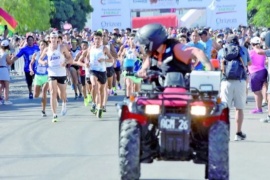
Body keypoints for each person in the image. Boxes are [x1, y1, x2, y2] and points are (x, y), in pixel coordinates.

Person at [135, 23, 212, 82]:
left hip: (181, 92)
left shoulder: (175, 48)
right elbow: (148, 61)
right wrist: (143, 70)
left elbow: (197, 51)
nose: (143, 46)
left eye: (144, 43)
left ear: (153, 42)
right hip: (158, 93)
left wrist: (208, 69)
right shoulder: (154, 53)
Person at [219, 35, 250, 141]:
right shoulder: (243, 50)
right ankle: (238, 133)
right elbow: (248, 63)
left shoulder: (223, 50)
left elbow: (220, 65)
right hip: (240, 81)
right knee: (239, 108)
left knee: (224, 109)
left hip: (226, 81)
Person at [39, 32, 73, 122]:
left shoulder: (62, 47)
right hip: (51, 73)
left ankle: (64, 103)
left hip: (61, 73)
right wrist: (43, 63)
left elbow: (70, 58)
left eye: (55, 37)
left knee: (62, 93)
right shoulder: (46, 49)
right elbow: (40, 59)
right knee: (53, 93)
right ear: (49, 39)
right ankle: (54, 114)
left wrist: (65, 62)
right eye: (52, 38)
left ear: (57, 39)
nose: (53, 39)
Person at [29, 40, 49, 117]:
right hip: (38, 76)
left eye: (44, 45)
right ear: (39, 46)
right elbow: (31, 64)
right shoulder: (36, 54)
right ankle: (39, 88)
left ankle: (43, 110)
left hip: (46, 76)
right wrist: (31, 70)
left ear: (46, 46)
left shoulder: (48, 54)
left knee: (44, 92)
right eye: (41, 45)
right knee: (36, 95)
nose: (42, 46)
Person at [248, 37, 267, 114]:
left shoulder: (251, 52)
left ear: (252, 44)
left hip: (255, 73)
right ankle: (261, 106)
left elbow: (247, 62)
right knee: (263, 89)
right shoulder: (263, 52)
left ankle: (258, 108)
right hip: (263, 70)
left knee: (256, 91)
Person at [0, 40, 13, 105]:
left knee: (1, 85)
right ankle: (6, 100)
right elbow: (9, 62)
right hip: (4, 69)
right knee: (6, 85)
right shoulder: (5, 53)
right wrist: (12, 58)